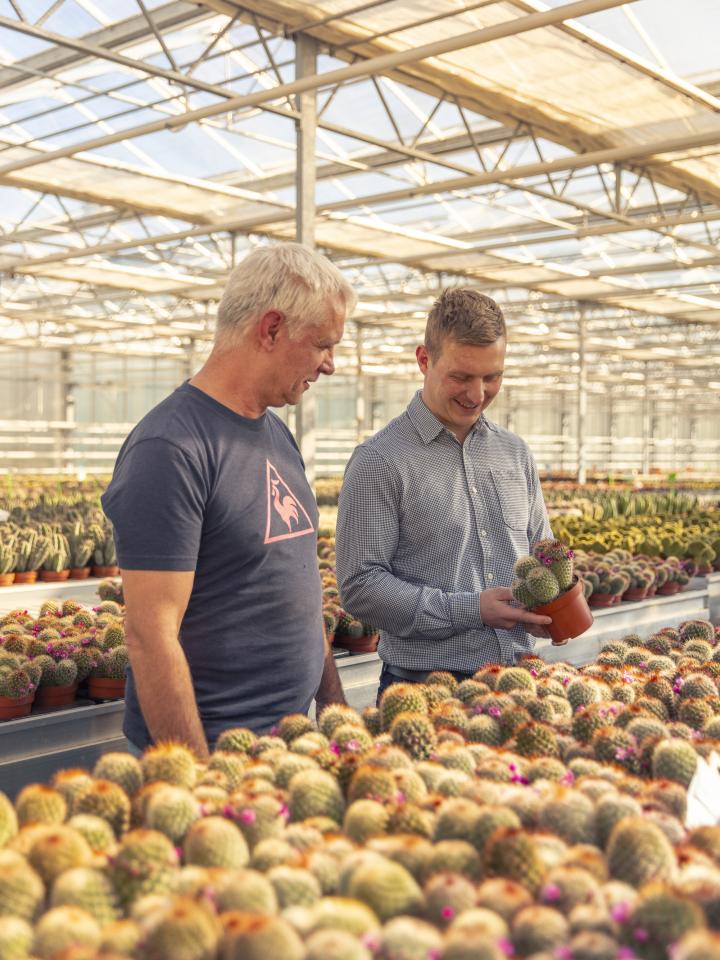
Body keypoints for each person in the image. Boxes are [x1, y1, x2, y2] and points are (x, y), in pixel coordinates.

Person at [102, 242, 356, 759]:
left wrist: (335, 715)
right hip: (214, 753)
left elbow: (301, 588)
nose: (329, 364)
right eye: (322, 344)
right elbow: (150, 636)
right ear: (270, 329)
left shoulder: (277, 435)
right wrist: (199, 783)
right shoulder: (171, 448)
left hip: (291, 748)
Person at [335, 287, 553, 701]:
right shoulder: (380, 461)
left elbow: (542, 549)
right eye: (461, 377)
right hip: (425, 688)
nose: (477, 395)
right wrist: (471, 608)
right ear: (424, 360)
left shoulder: (514, 452)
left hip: (519, 678)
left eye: (493, 377)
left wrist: (553, 602)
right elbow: (360, 586)